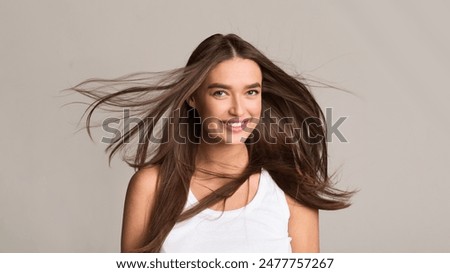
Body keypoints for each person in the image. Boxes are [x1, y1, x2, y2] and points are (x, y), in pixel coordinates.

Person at [72, 33, 353, 253]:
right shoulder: (152, 186)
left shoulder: (290, 187)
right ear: (193, 98)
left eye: (251, 92)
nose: (239, 110)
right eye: (220, 93)